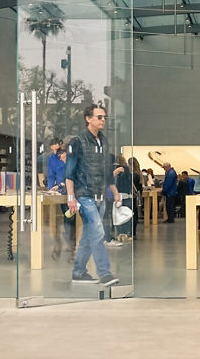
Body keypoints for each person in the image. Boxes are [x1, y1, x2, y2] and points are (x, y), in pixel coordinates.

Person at [65, 104, 119, 286]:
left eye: (104, 117)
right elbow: (69, 172)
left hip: (100, 195)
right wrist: (71, 197)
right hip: (84, 194)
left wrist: (114, 191)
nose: (103, 120)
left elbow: (106, 170)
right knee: (97, 231)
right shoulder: (77, 142)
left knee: (89, 236)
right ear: (88, 119)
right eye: (99, 117)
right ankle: (104, 273)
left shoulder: (103, 141)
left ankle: (79, 272)